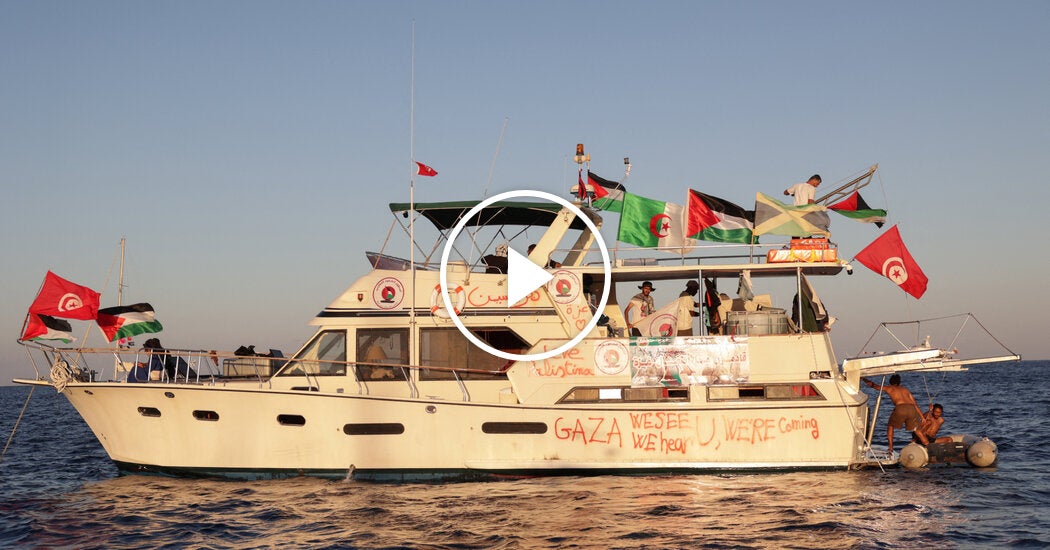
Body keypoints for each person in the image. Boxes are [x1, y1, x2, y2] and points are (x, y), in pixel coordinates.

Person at [861, 374, 929, 453]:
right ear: (899, 382)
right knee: (917, 430)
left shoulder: (889, 388)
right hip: (912, 409)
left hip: (901, 408)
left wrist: (864, 379)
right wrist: (922, 417)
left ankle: (890, 448)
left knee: (890, 426)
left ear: (890, 382)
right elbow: (915, 404)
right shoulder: (905, 390)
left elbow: (874, 386)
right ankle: (928, 446)